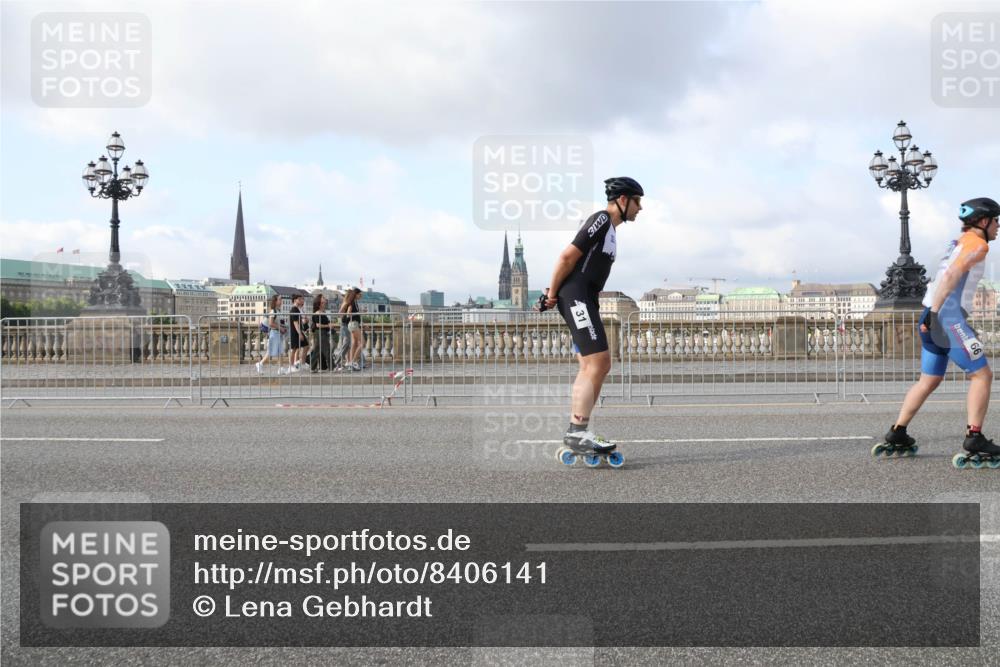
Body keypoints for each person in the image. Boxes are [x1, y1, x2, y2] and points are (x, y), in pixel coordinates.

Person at [881, 197, 1000, 468]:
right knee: (982, 375)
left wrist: (930, 314)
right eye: (996, 220)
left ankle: (897, 432)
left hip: (930, 314)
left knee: (929, 380)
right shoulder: (978, 245)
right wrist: (937, 314)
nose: (998, 226)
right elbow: (950, 277)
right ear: (983, 222)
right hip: (948, 318)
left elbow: (939, 274)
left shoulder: (954, 244)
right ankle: (975, 437)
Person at [541, 176, 644, 465]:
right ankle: (578, 432)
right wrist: (551, 293)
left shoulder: (611, 229)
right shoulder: (601, 219)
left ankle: (579, 430)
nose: (640, 208)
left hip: (584, 297)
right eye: (637, 201)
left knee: (593, 364)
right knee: (598, 363)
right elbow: (567, 257)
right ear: (623, 200)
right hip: (577, 295)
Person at [256, 294, 286, 374]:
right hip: (274, 333)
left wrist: (282, 327)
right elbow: (271, 323)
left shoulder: (278, 311)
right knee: (271, 352)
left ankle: (281, 368)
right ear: (275, 301)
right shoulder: (273, 311)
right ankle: (260, 364)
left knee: (280, 351)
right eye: (280, 299)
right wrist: (281, 328)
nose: (281, 301)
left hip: (277, 333)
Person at [339, 287, 365, 372]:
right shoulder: (352, 302)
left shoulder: (354, 302)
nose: (361, 296)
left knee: (354, 344)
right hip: (353, 324)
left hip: (353, 324)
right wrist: (359, 313)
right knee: (362, 343)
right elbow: (348, 313)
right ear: (356, 294)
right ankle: (353, 361)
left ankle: (351, 362)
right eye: (360, 294)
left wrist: (359, 312)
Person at [310, 293, 333, 372]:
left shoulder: (322, 312)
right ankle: (332, 367)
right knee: (327, 350)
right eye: (323, 298)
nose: (325, 299)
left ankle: (312, 367)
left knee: (317, 350)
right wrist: (328, 326)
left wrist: (328, 324)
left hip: (320, 332)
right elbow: (318, 325)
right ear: (319, 301)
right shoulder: (318, 313)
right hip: (320, 332)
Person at [287, 293, 309, 373]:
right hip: (295, 332)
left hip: (298, 331)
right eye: (299, 299)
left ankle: (302, 363)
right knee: (294, 349)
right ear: (295, 300)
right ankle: (291, 366)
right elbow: (295, 323)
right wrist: (299, 333)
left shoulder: (297, 309)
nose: (301, 300)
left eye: (301, 299)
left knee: (306, 346)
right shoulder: (294, 309)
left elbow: (299, 322)